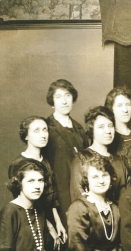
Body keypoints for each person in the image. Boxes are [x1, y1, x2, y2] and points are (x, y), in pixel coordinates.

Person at [8, 116, 67, 251]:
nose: (43, 135)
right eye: (36, 131)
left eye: (45, 130)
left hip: (49, 217)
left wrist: (58, 222)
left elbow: (52, 196)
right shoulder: (17, 164)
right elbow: (23, 203)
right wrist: (49, 226)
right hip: (30, 219)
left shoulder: (45, 161)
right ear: (26, 136)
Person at [44, 79, 89, 228]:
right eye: (58, 97)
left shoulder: (79, 129)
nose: (64, 101)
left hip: (78, 189)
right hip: (57, 191)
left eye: (67, 95)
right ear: (52, 101)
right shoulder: (47, 128)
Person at [69, 106, 129, 204]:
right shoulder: (81, 159)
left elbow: (126, 195)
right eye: (101, 127)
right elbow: (77, 196)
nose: (108, 131)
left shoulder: (119, 161)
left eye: (110, 125)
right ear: (91, 130)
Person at [105, 86, 131, 175]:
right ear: (111, 108)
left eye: (128, 104)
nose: (125, 110)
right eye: (119, 105)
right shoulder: (109, 136)